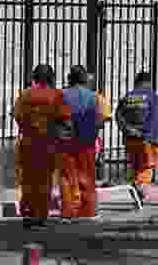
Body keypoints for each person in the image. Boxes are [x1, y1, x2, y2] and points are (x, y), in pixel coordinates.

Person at [14, 64, 71, 229]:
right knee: (44, 180)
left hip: (27, 143)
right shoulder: (56, 95)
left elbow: (17, 116)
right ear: (51, 77)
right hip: (47, 144)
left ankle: (27, 214)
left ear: (34, 77)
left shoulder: (25, 95)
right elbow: (65, 119)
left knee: (28, 180)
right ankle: (39, 215)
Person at [58, 65, 104, 222]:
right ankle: (88, 210)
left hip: (65, 142)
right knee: (87, 176)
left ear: (69, 79)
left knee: (66, 177)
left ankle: (68, 212)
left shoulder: (61, 95)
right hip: (87, 142)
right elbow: (99, 120)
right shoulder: (93, 96)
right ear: (85, 79)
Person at [115, 71, 158, 210]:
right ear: (149, 83)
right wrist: (146, 134)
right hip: (146, 139)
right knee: (147, 166)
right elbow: (154, 118)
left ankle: (138, 197)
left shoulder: (128, 96)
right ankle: (138, 185)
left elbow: (118, 115)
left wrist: (127, 129)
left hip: (129, 138)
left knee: (136, 166)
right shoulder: (153, 97)